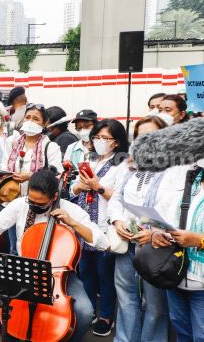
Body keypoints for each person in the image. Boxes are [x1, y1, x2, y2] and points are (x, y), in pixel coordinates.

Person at [0, 170, 108, 342]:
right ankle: (12, 336)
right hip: (24, 270)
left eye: (40, 204)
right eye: (31, 201)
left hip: (59, 276)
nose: (34, 206)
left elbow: (103, 243)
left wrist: (73, 223)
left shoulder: (71, 210)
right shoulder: (20, 204)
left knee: (84, 312)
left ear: (54, 197)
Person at [107, 115, 174, 342]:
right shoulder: (130, 166)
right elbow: (116, 198)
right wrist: (117, 221)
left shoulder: (175, 169)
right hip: (127, 241)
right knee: (126, 299)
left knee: (155, 306)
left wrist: (153, 231)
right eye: (140, 136)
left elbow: (174, 208)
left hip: (155, 244)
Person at [71, 119, 128, 336]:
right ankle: (88, 312)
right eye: (97, 137)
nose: (100, 142)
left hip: (105, 225)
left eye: (106, 138)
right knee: (85, 271)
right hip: (84, 224)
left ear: (116, 142)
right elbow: (74, 189)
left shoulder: (122, 164)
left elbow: (122, 198)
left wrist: (98, 187)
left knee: (105, 275)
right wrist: (80, 186)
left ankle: (106, 315)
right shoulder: (90, 159)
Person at [151, 156, 204, 342]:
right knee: (182, 333)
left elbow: (199, 238)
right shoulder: (188, 179)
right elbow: (161, 214)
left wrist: (201, 240)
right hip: (176, 273)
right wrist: (156, 233)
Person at [1, 103, 62, 254]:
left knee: (36, 247)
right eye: (28, 117)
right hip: (13, 202)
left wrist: (31, 176)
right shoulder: (12, 143)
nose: (30, 121)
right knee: (14, 248)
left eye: (36, 119)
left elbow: (57, 175)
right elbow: (4, 167)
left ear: (45, 123)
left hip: (39, 205)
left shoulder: (50, 147)